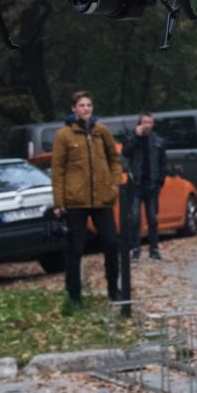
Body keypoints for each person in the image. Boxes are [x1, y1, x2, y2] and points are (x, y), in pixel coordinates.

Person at [51, 91, 122, 308]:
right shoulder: (64, 135)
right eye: (82, 105)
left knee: (111, 243)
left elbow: (115, 159)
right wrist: (59, 201)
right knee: (75, 249)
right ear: (74, 109)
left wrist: (113, 184)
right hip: (76, 201)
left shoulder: (101, 131)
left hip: (102, 198)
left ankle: (113, 289)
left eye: (89, 105)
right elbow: (58, 169)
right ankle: (74, 296)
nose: (86, 109)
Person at [123, 112, 167, 261]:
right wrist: (136, 137)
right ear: (139, 124)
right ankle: (136, 249)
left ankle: (154, 249)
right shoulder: (131, 137)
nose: (147, 125)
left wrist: (161, 180)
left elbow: (163, 162)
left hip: (152, 184)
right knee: (134, 217)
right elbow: (126, 153)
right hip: (136, 183)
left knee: (152, 218)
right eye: (144, 122)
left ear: (153, 124)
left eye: (150, 122)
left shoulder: (158, 140)